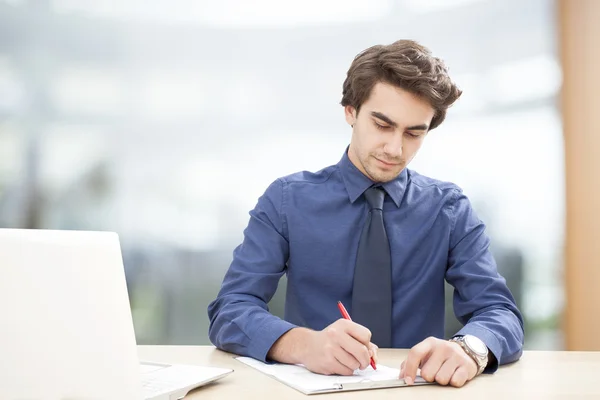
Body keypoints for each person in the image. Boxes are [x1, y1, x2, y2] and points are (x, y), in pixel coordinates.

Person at [207, 39, 524, 388]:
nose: (395, 148)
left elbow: (499, 313)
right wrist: (302, 344)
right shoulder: (286, 201)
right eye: (383, 125)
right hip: (312, 390)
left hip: (417, 391)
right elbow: (231, 310)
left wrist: (469, 349)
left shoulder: (449, 209)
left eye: (413, 133)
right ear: (350, 111)